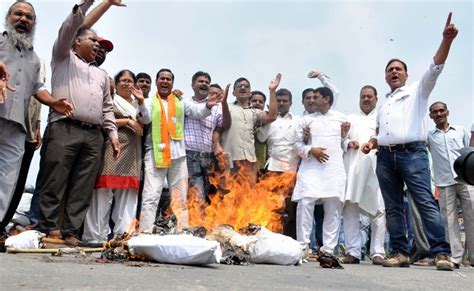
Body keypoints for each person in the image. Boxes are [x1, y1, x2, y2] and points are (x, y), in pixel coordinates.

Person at [362, 13, 458, 270]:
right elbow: (381, 130)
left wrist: (446, 40)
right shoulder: (384, 105)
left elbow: (435, 67)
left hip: (412, 155)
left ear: (406, 75)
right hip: (384, 157)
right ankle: (400, 252)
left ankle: (441, 253)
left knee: (425, 202)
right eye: (390, 70)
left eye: (398, 69)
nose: (394, 72)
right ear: (385, 78)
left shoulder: (418, 91)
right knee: (393, 207)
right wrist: (373, 142)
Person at [37, 0, 124, 245]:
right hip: (64, 127)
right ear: (77, 41)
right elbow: (70, 26)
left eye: (98, 43)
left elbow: (107, 109)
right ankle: (50, 228)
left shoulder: (101, 75)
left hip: (94, 135)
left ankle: (71, 231)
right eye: (93, 41)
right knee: (55, 179)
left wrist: (113, 135)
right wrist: (87, 4)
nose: (97, 45)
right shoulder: (63, 56)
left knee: (82, 185)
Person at [0, 1, 73, 234]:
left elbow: (37, 88)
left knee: (7, 183)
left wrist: (53, 102)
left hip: (17, 128)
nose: (23, 19)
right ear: (7, 17)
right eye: (18, 14)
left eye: (29, 17)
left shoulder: (34, 59)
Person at [138, 68, 220, 232]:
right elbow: (145, 118)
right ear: (157, 81)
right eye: (162, 78)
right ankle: (145, 232)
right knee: (151, 195)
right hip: (156, 154)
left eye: (168, 79)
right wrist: (140, 102)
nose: (165, 81)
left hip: (178, 155)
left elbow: (197, 112)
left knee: (180, 197)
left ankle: (182, 231)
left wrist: (208, 106)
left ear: (172, 83)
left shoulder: (180, 101)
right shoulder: (148, 101)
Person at [82, 70, 146, 244]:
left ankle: (123, 235)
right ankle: (94, 237)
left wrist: (140, 102)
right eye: (123, 81)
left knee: (127, 196)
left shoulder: (139, 104)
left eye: (130, 81)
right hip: (112, 149)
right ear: (117, 84)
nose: (126, 84)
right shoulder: (110, 100)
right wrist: (127, 121)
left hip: (132, 153)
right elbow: (101, 119)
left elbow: (146, 120)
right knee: (103, 194)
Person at [293, 85, 348, 256]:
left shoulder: (341, 119)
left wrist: (345, 136)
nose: (312, 100)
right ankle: (303, 246)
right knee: (305, 203)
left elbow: (345, 144)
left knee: (333, 207)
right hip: (311, 168)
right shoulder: (305, 120)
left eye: (315, 97)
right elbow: (296, 146)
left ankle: (328, 249)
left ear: (326, 99)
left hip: (333, 169)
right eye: (310, 97)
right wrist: (311, 150)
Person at [340, 85, 385, 265]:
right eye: (363, 97)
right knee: (350, 209)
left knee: (379, 210)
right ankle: (353, 251)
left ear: (376, 98)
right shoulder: (350, 119)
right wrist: (348, 142)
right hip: (353, 169)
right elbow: (341, 140)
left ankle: (377, 253)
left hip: (376, 169)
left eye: (369, 96)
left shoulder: (382, 118)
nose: (366, 99)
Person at [428, 101, 474, 268]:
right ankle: (455, 257)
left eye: (441, 111)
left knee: (472, 216)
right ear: (430, 116)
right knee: (449, 221)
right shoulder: (429, 136)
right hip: (444, 182)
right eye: (435, 112)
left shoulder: (461, 131)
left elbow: (470, 152)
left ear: (448, 112)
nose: (439, 114)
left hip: (465, 179)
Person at [219, 75, 280, 185]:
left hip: (249, 161)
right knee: (227, 197)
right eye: (239, 86)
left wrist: (272, 90)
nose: (243, 87)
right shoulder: (224, 106)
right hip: (229, 160)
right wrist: (223, 102)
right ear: (233, 93)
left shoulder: (255, 112)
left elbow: (272, 116)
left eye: (246, 86)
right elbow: (221, 126)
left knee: (248, 197)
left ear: (250, 92)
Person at [257, 88, 299, 238]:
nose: (281, 103)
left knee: (291, 208)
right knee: (270, 206)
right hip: (272, 169)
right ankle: (269, 237)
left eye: (284, 101)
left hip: (291, 169)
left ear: (291, 103)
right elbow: (261, 139)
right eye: (278, 100)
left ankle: (289, 240)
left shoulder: (298, 121)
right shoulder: (270, 120)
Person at [184, 71, 230, 203]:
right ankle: (197, 222)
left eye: (206, 82)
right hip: (190, 154)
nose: (204, 84)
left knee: (209, 193)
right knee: (196, 193)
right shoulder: (185, 102)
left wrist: (224, 103)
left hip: (209, 156)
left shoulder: (217, 106)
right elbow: (197, 113)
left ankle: (203, 221)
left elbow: (225, 124)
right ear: (193, 85)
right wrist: (208, 105)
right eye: (200, 81)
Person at [249, 90, 268, 172]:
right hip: (242, 164)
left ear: (264, 105)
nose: (257, 103)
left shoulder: (268, 119)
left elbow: (262, 138)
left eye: (260, 102)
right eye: (254, 101)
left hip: (260, 166)